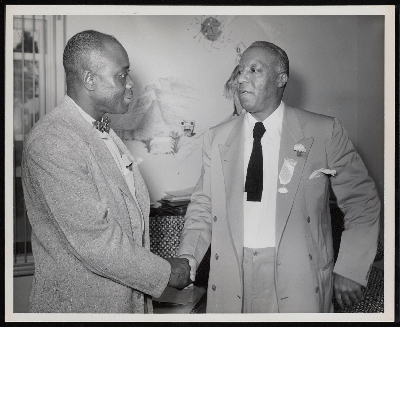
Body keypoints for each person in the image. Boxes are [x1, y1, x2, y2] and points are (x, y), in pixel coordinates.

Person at [178, 41, 380, 313]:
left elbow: (361, 200)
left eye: (254, 70)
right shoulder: (217, 138)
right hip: (231, 275)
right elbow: (203, 205)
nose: (241, 79)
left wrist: (352, 267)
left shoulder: (324, 131)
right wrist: (187, 258)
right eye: (240, 71)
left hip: (299, 275)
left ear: (281, 78)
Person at [22, 30, 191, 313]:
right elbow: (96, 243)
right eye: (121, 75)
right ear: (89, 80)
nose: (130, 84)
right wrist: (166, 272)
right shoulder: (53, 140)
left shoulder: (103, 132)